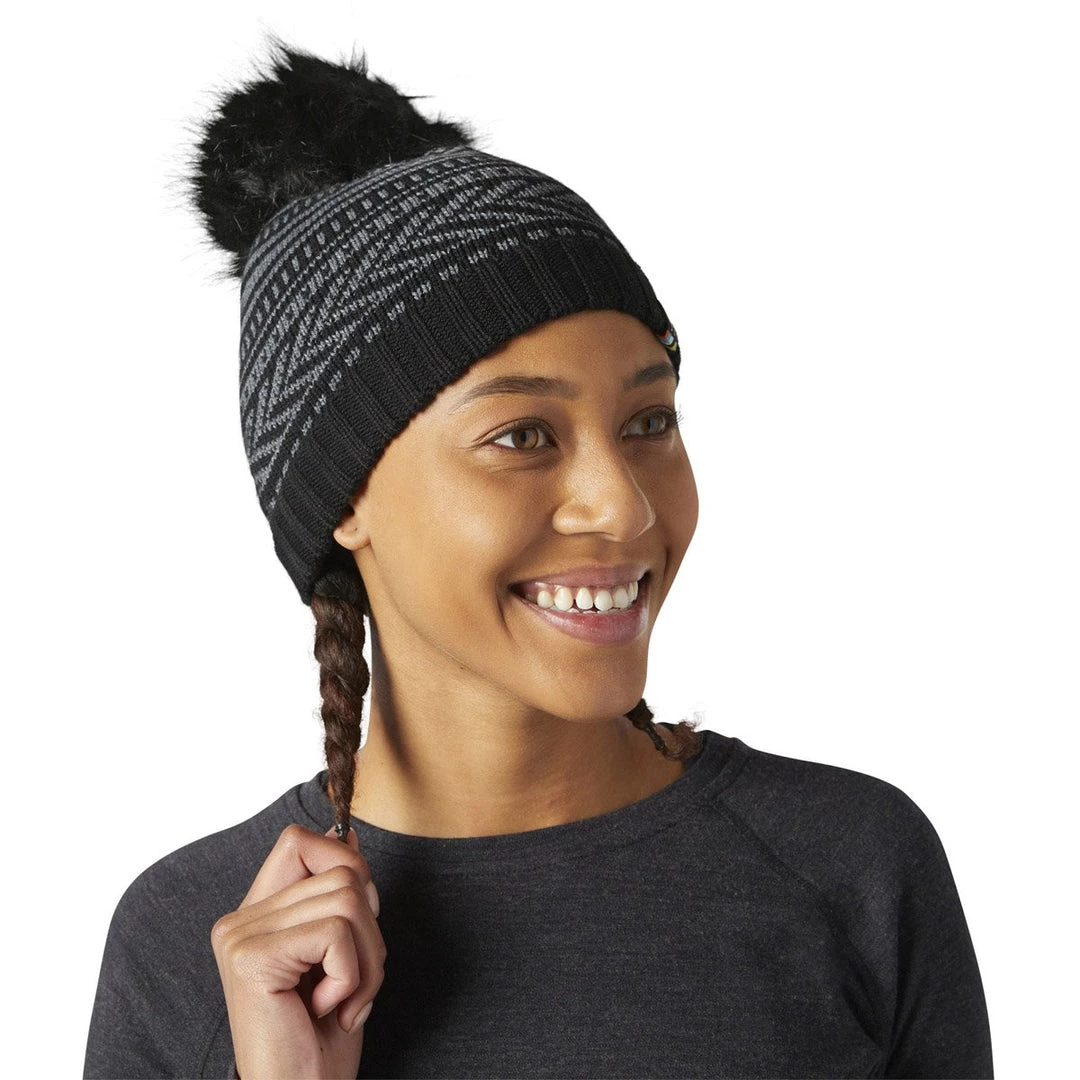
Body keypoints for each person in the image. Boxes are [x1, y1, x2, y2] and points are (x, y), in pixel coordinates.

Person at [84, 41, 993, 1079]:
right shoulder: (196, 951)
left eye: (649, 420)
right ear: (344, 499)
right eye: (522, 436)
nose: (624, 504)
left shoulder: (851, 868)